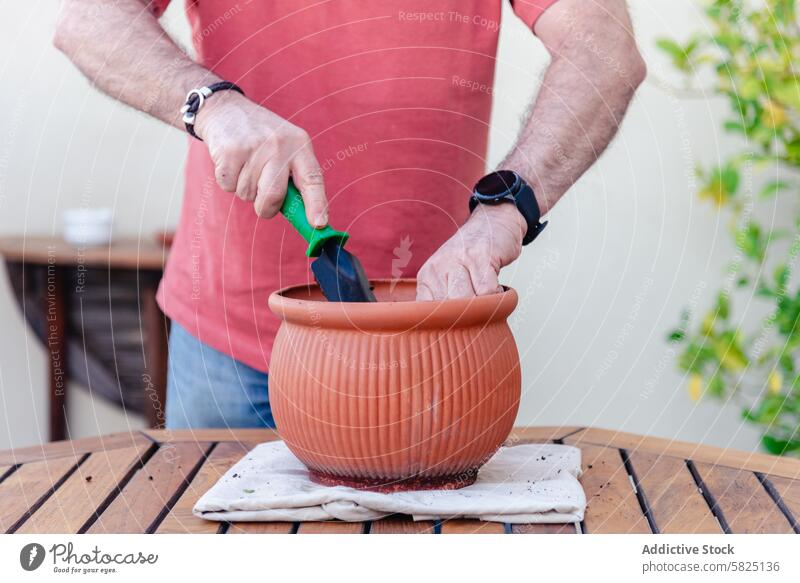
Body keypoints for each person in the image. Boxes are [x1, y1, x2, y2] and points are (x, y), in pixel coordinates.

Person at [54, 0, 646, 429]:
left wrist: (506, 209)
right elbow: (88, 17)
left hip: (423, 342)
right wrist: (211, 105)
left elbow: (605, 47)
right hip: (229, 348)